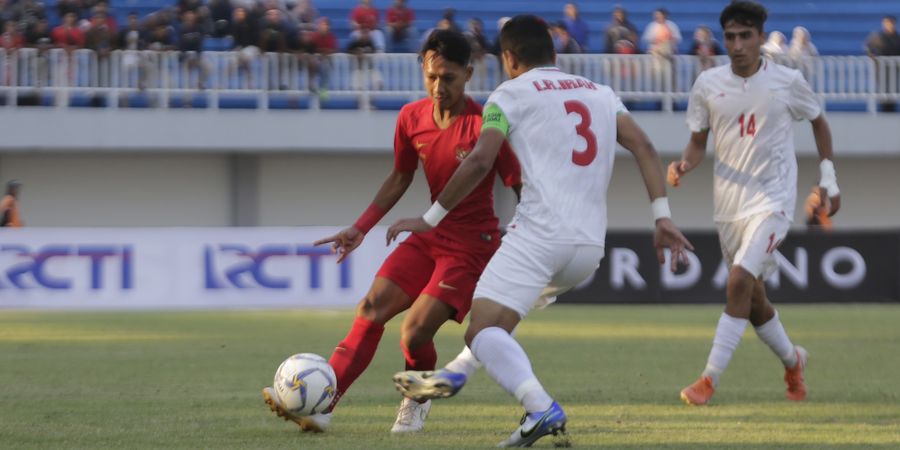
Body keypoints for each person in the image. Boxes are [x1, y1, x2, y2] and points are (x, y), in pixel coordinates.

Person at [388, 15, 692, 447]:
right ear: (553, 53)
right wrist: (661, 216)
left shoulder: (508, 94)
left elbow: (478, 161)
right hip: (588, 248)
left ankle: (539, 406)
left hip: (539, 235)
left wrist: (430, 217)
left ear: (508, 58)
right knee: (497, 324)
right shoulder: (598, 92)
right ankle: (455, 373)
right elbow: (643, 145)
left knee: (481, 328)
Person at [262, 29, 522, 434]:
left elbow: (519, 183)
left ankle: (417, 400)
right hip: (428, 237)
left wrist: (532, 239)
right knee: (370, 310)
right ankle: (320, 404)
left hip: (472, 247)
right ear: (423, 70)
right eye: (432, 77)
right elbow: (401, 177)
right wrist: (360, 227)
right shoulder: (410, 118)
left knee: (414, 333)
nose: (438, 87)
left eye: (448, 78)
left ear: (469, 73)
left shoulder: (486, 126)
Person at [668, 1, 841, 406]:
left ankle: (708, 380)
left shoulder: (787, 80)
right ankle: (792, 361)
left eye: (746, 36)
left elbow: (817, 120)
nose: (738, 44)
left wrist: (828, 178)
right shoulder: (708, 85)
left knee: (739, 280)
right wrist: (682, 165)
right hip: (729, 207)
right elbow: (697, 145)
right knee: (753, 298)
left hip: (773, 200)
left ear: (762, 38)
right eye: (730, 36)